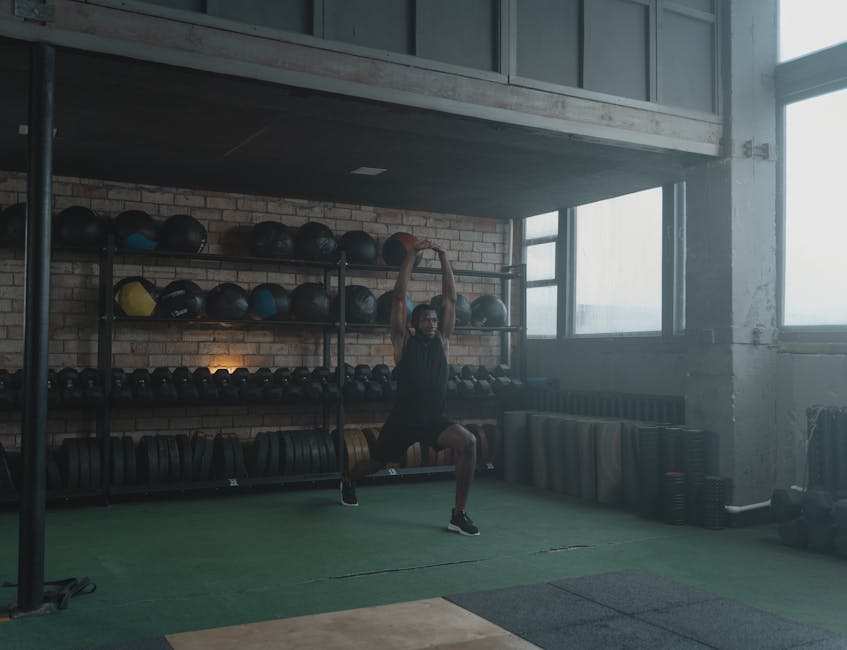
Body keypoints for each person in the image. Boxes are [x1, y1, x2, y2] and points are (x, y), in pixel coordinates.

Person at [340, 238, 480, 536]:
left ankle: (459, 514)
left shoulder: (442, 342)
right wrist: (411, 255)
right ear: (415, 324)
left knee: (469, 442)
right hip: (403, 420)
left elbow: (451, 300)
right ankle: (348, 479)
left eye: (434, 319)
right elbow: (399, 297)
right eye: (426, 320)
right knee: (375, 463)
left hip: (435, 420)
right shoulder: (403, 343)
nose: (432, 323)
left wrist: (443, 257)